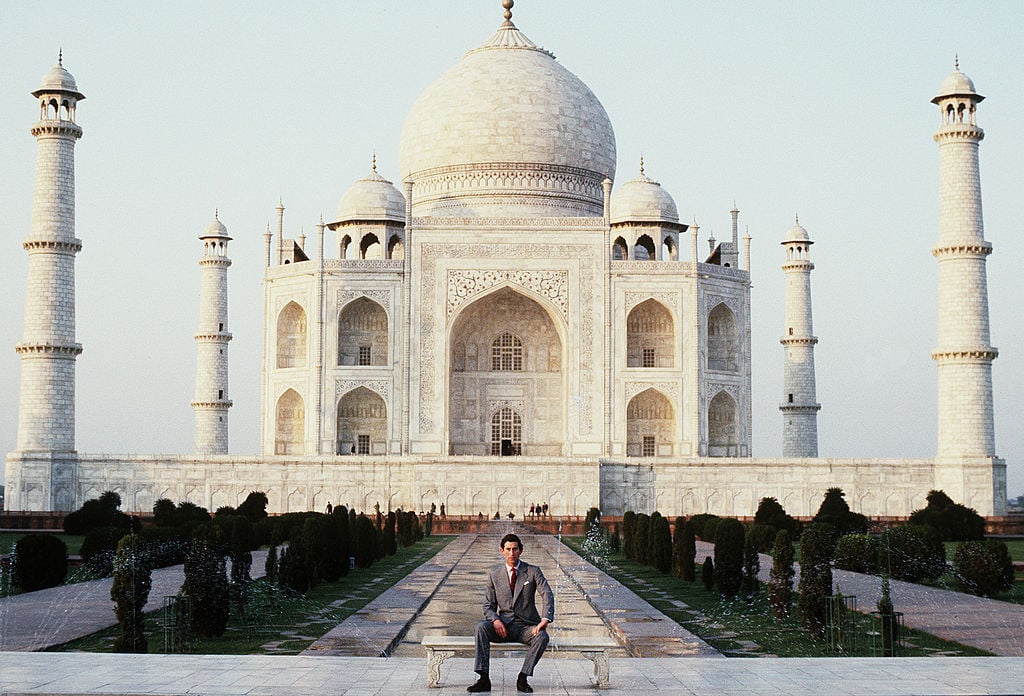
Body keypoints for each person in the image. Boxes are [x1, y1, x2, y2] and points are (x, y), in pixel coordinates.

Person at [468, 533, 553, 693]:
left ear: (521, 550)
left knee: (542, 637)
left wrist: (545, 619)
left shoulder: (533, 571)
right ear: (502, 551)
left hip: (526, 628)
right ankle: (483, 678)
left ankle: (523, 677)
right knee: (481, 627)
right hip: (503, 627)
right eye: (508, 549)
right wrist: (495, 620)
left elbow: (547, 593)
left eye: (515, 549)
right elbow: (488, 605)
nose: (511, 553)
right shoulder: (495, 575)